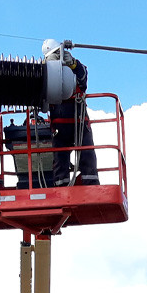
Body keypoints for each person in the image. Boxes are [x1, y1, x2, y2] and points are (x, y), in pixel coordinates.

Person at [43, 39, 99, 187]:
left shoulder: (74, 68)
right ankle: (62, 187)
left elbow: (83, 79)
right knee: (60, 159)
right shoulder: (45, 73)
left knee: (87, 155)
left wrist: (73, 63)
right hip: (60, 126)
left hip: (79, 122)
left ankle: (91, 185)